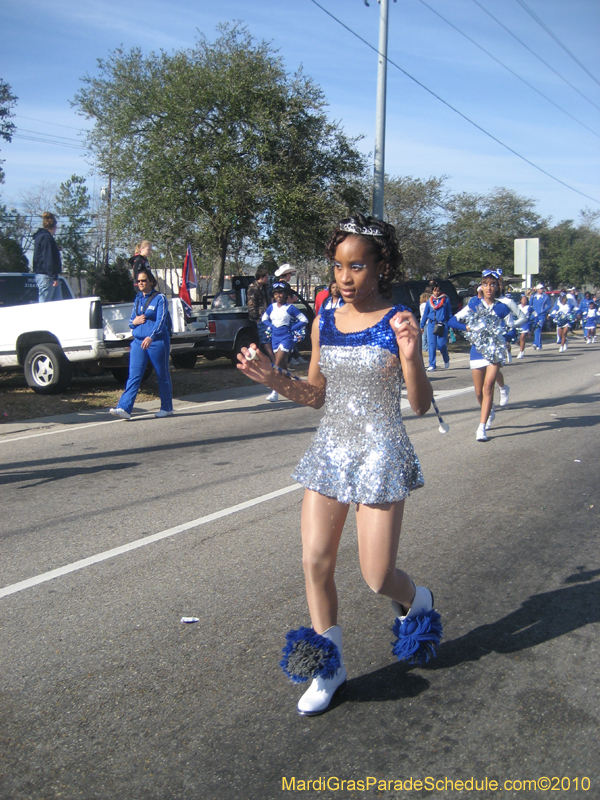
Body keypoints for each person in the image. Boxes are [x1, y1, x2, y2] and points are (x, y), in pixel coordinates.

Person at [237, 214, 441, 716]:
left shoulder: (398, 319)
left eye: (356, 267)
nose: (344, 278)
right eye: (337, 266)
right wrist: (276, 378)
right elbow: (316, 396)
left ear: (380, 267)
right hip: (331, 448)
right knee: (315, 561)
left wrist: (412, 355)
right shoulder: (324, 317)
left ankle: (419, 602)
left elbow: (417, 405)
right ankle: (329, 668)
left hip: (380, 451)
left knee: (377, 578)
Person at [449, 269, 511, 442]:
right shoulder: (474, 305)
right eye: (485, 284)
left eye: (492, 284)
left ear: (498, 287)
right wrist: (467, 328)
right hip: (477, 350)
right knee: (478, 392)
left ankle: (481, 427)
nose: (489, 288)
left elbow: (513, 328)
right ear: (481, 287)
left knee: (488, 386)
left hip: (495, 352)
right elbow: (452, 321)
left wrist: (504, 336)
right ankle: (489, 409)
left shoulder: (502, 307)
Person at [109, 269, 173, 420]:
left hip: (156, 341)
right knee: (134, 375)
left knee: (162, 374)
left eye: (143, 280)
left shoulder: (160, 298)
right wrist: (134, 322)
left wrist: (151, 337)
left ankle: (167, 407)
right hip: (138, 341)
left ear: (151, 281)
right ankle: (124, 408)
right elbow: (132, 321)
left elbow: (161, 320)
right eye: (138, 281)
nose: (140, 283)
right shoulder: (138, 299)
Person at [261, 282, 309, 402]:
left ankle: (275, 392)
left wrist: (291, 329)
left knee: (277, 366)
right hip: (275, 339)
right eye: (276, 293)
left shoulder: (290, 308)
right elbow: (264, 319)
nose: (278, 295)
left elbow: (304, 320)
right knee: (283, 367)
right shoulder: (271, 307)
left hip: (286, 339)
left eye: (281, 293)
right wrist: (271, 326)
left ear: (285, 294)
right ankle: (294, 390)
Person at [420, 280, 451, 371]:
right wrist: (421, 325)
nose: (436, 293)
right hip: (431, 324)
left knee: (441, 344)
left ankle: (446, 358)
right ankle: (432, 364)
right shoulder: (430, 301)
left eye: (438, 291)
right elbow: (425, 314)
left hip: (442, 324)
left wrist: (450, 324)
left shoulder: (445, 300)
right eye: (434, 291)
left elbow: (449, 313)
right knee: (431, 344)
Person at [32, 212, 62, 303]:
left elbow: (42, 253)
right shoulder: (47, 238)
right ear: (54, 227)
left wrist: (55, 249)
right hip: (47, 276)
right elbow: (48, 258)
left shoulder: (41, 237)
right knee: (45, 306)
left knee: (57, 305)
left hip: (45, 275)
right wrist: (54, 276)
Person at [247, 268, 274, 362]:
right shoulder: (253, 287)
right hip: (260, 317)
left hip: (268, 316)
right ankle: (274, 360)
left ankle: (274, 359)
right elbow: (251, 303)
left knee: (270, 337)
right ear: (261, 277)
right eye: (266, 277)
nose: (267, 279)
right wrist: (256, 317)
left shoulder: (265, 287)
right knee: (265, 339)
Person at [530, 284, 551, 350]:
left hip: (541, 316)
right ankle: (539, 344)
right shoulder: (533, 297)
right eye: (540, 288)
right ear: (537, 289)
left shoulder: (545, 297)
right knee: (535, 329)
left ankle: (535, 343)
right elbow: (530, 305)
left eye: (542, 288)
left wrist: (543, 310)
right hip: (534, 315)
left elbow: (549, 305)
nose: (542, 289)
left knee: (538, 328)